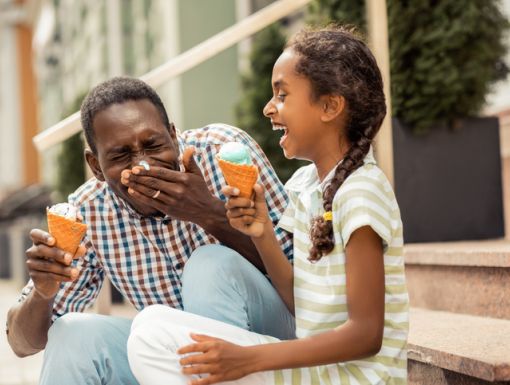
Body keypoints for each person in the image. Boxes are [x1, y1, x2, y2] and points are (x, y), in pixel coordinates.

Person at [127, 26, 409, 385]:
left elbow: (366, 335)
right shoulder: (306, 186)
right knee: (150, 324)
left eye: (282, 95)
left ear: (329, 106)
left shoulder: (362, 192)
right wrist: (261, 234)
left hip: (350, 379)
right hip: (314, 372)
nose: (268, 108)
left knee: (153, 340)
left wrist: (248, 359)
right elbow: (300, 304)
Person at [6, 77, 295, 385]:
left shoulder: (222, 152)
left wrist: (210, 215)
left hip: (270, 343)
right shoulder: (89, 211)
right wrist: (43, 292)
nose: (142, 165)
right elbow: (22, 344)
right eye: (120, 155)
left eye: (153, 145)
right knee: (72, 334)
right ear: (96, 167)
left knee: (210, 264)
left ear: (173, 134)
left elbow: (303, 277)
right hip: (171, 360)